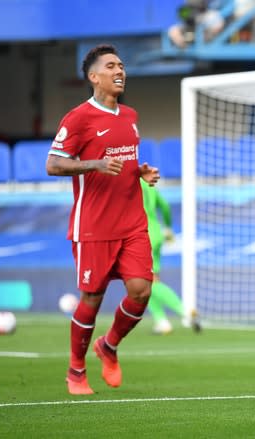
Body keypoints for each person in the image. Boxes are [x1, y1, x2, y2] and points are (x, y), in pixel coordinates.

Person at [46, 44, 160, 395]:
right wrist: (94, 164)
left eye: (121, 65)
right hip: (93, 225)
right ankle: (76, 370)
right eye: (111, 66)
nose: (119, 70)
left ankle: (108, 346)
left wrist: (141, 172)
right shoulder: (78, 118)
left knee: (141, 291)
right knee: (92, 297)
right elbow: (53, 164)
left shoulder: (130, 116)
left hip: (132, 222)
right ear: (94, 77)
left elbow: (123, 160)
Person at [140, 179, 201, 334]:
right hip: (156, 232)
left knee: (148, 282)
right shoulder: (146, 182)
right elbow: (165, 206)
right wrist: (167, 228)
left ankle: (185, 311)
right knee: (146, 283)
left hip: (141, 235)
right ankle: (162, 322)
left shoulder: (130, 182)